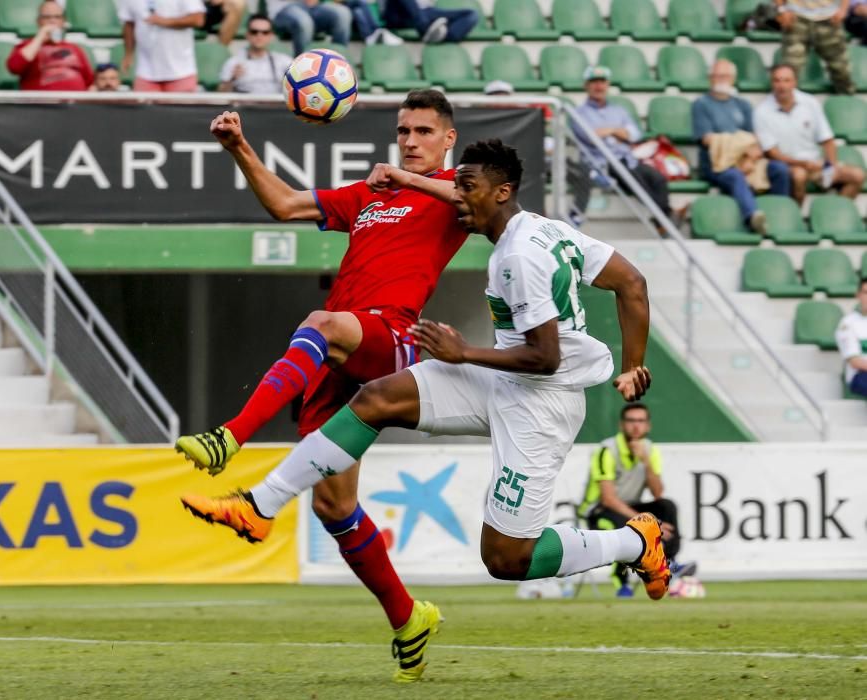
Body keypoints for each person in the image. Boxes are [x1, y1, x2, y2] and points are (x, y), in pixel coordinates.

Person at [180, 139, 670, 678]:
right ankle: (259, 504)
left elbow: (546, 357)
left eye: (468, 187)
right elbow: (632, 282)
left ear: (502, 192)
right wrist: (633, 364)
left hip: (542, 401)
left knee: (507, 559)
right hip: (501, 377)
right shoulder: (545, 230)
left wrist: (464, 352)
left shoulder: (520, 258)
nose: (457, 198)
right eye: (456, 184)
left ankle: (632, 539)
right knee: (375, 399)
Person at [175, 89, 469, 683]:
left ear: (447, 139)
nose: (409, 141)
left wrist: (410, 182)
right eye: (403, 130)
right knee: (334, 505)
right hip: (342, 352)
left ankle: (230, 438)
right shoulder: (369, 196)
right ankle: (409, 618)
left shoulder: (453, 191)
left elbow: (479, 202)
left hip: (392, 336)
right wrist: (239, 148)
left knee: (319, 323)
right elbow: (285, 206)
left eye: (422, 132)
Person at [578, 403, 692, 598]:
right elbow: (608, 499)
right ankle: (622, 583)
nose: (636, 426)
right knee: (626, 526)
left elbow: (657, 493)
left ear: (648, 426)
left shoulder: (649, 450)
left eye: (640, 421)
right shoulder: (607, 450)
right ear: (622, 425)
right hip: (598, 510)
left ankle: (668, 563)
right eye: (631, 421)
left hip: (630, 506)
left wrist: (646, 461)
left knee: (666, 506)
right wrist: (650, 525)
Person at [692, 59, 791, 235]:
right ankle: (753, 216)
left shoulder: (743, 105)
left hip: (746, 159)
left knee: (780, 170)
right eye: (716, 76)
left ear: (733, 79)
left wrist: (748, 159)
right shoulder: (701, 104)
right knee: (735, 175)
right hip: (717, 165)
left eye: (724, 76)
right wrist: (740, 144)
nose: (720, 79)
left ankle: (779, 217)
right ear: (709, 78)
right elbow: (708, 140)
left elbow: (753, 139)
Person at [754, 64, 865, 204]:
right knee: (799, 176)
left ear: (795, 82)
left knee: (857, 175)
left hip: (815, 164)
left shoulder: (810, 102)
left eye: (786, 80)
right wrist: (803, 163)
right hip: (789, 166)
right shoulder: (761, 112)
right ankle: (795, 217)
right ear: (772, 83)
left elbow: (828, 140)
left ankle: (834, 211)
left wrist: (831, 166)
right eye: (777, 80)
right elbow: (773, 153)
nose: (782, 85)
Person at [572, 66, 672, 220]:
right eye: (594, 82)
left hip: (628, 159)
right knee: (634, 180)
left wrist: (607, 131)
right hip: (602, 163)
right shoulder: (578, 113)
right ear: (586, 85)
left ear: (607, 84)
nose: (599, 86)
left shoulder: (619, 110)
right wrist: (617, 131)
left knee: (658, 178)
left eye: (602, 82)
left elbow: (634, 135)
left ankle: (662, 219)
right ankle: (666, 218)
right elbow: (590, 138)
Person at [118, 0, 205, 92]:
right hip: (145, 72)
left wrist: (164, 21)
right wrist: (128, 54)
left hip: (181, 72)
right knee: (143, 106)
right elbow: (129, 24)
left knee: (181, 106)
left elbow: (198, 19)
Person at [6, 1, 94, 91]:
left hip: (75, 102)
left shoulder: (75, 48)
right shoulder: (28, 45)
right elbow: (14, 67)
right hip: (43, 103)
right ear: (39, 21)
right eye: (47, 17)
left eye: (57, 17)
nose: (52, 21)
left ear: (63, 21)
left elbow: (90, 82)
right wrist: (40, 37)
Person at [775, 0, 855, 95]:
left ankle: (847, 105)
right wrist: (782, 9)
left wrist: (843, 10)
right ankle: (786, 108)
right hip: (796, 18)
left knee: (841, 71)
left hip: (829, 18)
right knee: (790, 70)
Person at [218, 13, 292, 93]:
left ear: (271, 36)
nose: (259, 35)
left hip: (275, 104)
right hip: (244, 104)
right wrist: (232, 80)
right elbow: (221, 94)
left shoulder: (284, 62)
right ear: (247, 35)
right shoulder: (234, 63)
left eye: (265, 32)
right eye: (254, 32)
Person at [267, 0, 352, 56]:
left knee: (343, 13)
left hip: (312, 7)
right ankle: (302, 67)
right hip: (283, 8)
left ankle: (338, 60)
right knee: (304, 21)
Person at [380, 0, 479, 44]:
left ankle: (444, 37)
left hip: (426, 12)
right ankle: (425, 29)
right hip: (398, 14)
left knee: (471, 14)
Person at [836, 279, 867, 398]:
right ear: (858, 295)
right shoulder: (848, 323)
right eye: (866, 293)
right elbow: (855, 362)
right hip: (860, 375)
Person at [336, 0, 404, 45]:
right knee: (360, 2)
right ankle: (376, 30)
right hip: (339, 9)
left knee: (358, 11)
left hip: (351, 12)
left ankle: (369, 36)